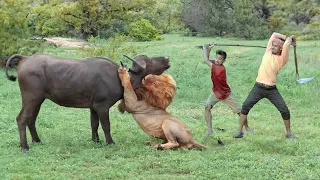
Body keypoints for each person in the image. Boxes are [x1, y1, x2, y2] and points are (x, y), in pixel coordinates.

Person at [233, 32, 297, 139]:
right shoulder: (268, 52)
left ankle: (289, 133)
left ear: (281, 49)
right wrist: (285, 37)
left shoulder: (282, 59)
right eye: (272, 45)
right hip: (258, 87)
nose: (272, 46)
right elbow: (274, 35)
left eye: (276, 46)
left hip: (271, 90)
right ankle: (240, 131)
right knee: (245, 107)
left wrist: (291, 39)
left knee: (284, 110)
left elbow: (286, 44)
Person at [202, 44, 252, 136]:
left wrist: (205, 48)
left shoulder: (219, 68)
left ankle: (247, 127)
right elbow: (208, 59)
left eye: (220, 59)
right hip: (215, 93)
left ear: (223, 61)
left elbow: (205, 60)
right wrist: (210, 48)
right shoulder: (215, 64)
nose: (217, 60)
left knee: (240, 111)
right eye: (216, 58)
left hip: (225, 94)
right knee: (207, 107)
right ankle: (209, 130)